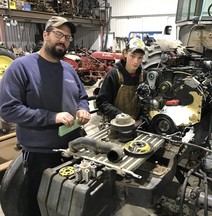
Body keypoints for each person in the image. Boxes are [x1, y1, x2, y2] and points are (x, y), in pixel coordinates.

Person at [0, 16, 90, 216]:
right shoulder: (21, 67)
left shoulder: (69, 69)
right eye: (59, 34)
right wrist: (52, 117)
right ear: (45, 35)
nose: (63, 40)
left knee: (68, 203)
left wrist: (83, 108)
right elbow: (8, 109)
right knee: (38, 206)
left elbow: (82, 97)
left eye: (68, 37)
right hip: (41, 154)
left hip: (73, 149)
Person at [96, 38, 146, 123]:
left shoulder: (143, 75)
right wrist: (122, 116)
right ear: (125, 53)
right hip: (117, 124)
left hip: (137, 124)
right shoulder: (114, 75)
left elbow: (145, 101)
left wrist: (142, 118)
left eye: (140, 58)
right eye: (132, 56)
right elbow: (102, 102)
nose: (136, 61)